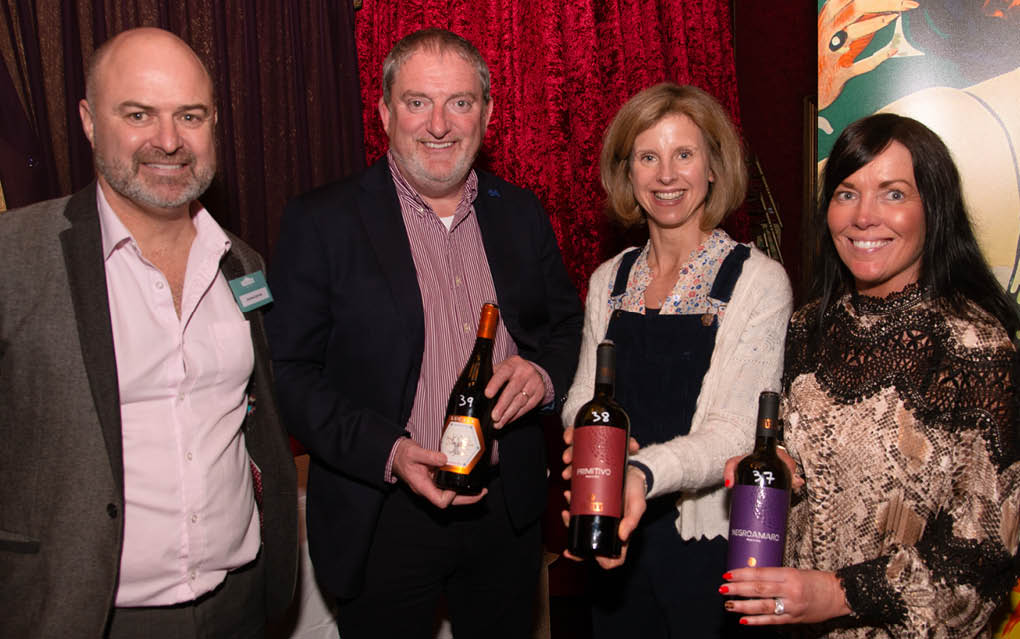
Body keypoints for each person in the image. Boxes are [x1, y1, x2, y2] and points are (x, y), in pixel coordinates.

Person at [265, 28, 583, 638]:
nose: (439, 125)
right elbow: (289, 372)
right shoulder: (322, 220)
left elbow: (568, 328)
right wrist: (389, 451)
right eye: (417, 102)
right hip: (382, 514)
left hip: (504, 511)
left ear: (486, 114)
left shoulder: (520, 212)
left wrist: (543, 376)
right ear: (384, 111)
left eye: (460, 102)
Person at [0, 27, 297, 639]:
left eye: (190, 116)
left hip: (236, 604)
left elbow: (257, 420)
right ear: (88, 120)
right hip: (86, 613)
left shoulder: (242, 264)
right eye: (139, 114)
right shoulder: (14, 258)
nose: (169, 141)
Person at [721, 113, 1020, 637]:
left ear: (935, 207)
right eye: (846, 193)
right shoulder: (810, 326)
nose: (864, 217)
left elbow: (985, 552)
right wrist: (785, 469)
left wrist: (840, 592)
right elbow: (827, 460)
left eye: (894, 194)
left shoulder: (974, 345)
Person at [560, 82, 793, 637]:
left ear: (713, 167)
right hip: (615, 528)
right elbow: (582, 399)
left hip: (705, 545)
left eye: (683, 154)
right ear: (628, 172)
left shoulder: (757, 282)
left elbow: (737, 432)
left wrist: (638, 471)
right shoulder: (607, 281)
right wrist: (588, 448)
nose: (666, 175)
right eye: (648, 157)